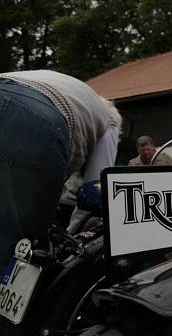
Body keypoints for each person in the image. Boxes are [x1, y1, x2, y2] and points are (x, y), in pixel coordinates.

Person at [0, 70, 120, 267]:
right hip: (35, 117)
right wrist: (72, 239)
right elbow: (93, 193)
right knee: (19, 249)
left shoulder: (71, 90)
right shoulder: (110, 121)